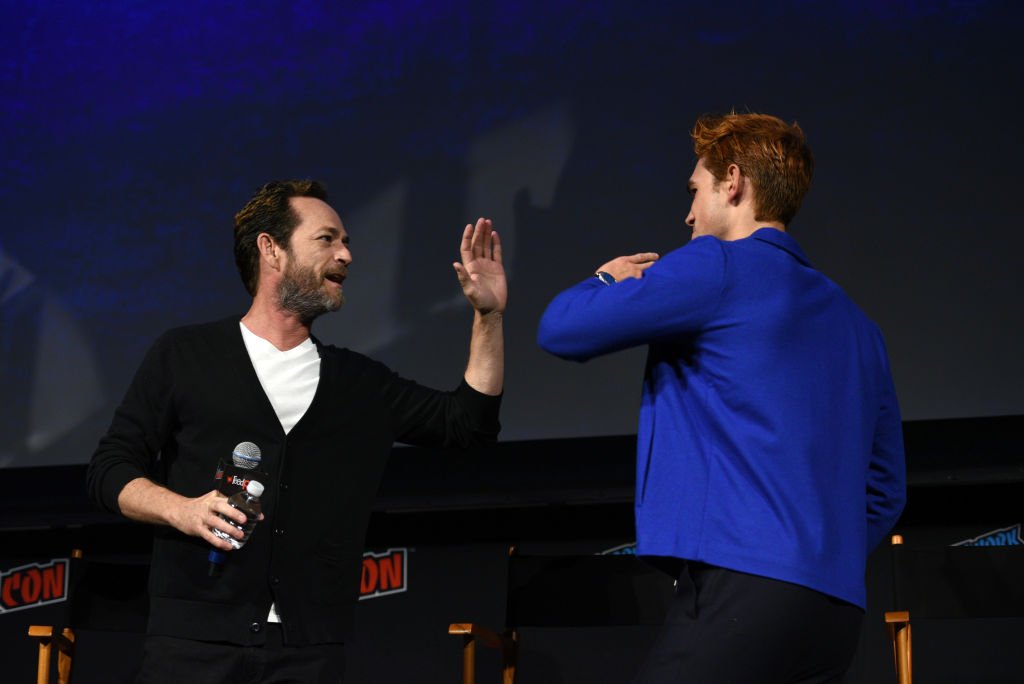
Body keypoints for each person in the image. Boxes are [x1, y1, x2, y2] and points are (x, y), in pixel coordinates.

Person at [87, 179, 506, 683]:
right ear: (272, 250)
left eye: (346, 241)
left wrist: (489, 316)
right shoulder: (185, 356)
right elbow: (110, 469)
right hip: (193, 644)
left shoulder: (359, 383)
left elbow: (468, 424)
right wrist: (182, 508)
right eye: (327, 239)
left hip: (308, 649)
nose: (347, 255)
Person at [537, 113, 905, 683]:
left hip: (743, 592)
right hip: (833, 616)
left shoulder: (717, 265)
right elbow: (885, 489)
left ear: (732, 183)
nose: (687, 214)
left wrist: (607, 280)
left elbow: (562, 329)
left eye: (695, 190)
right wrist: (817, 557)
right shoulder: (861, 326)